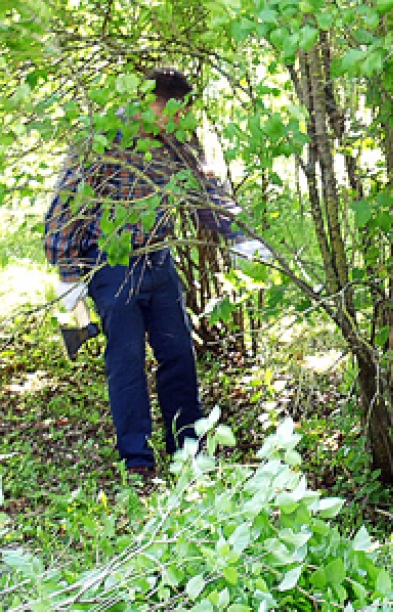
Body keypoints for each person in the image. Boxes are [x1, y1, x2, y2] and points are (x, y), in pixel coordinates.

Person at [44, 67, 270, 478]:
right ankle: (138, 460)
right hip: (112, 266)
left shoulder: (178, 142)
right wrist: (68, 274)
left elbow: (206, 191)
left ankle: (188, 449)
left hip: (160, 261)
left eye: (179, 113)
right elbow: (66, 206)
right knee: (126, 361)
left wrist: (239, 236)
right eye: (167, 111)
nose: (172, 122)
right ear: (146, 103)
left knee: (178, 354)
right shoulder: (102, 140)